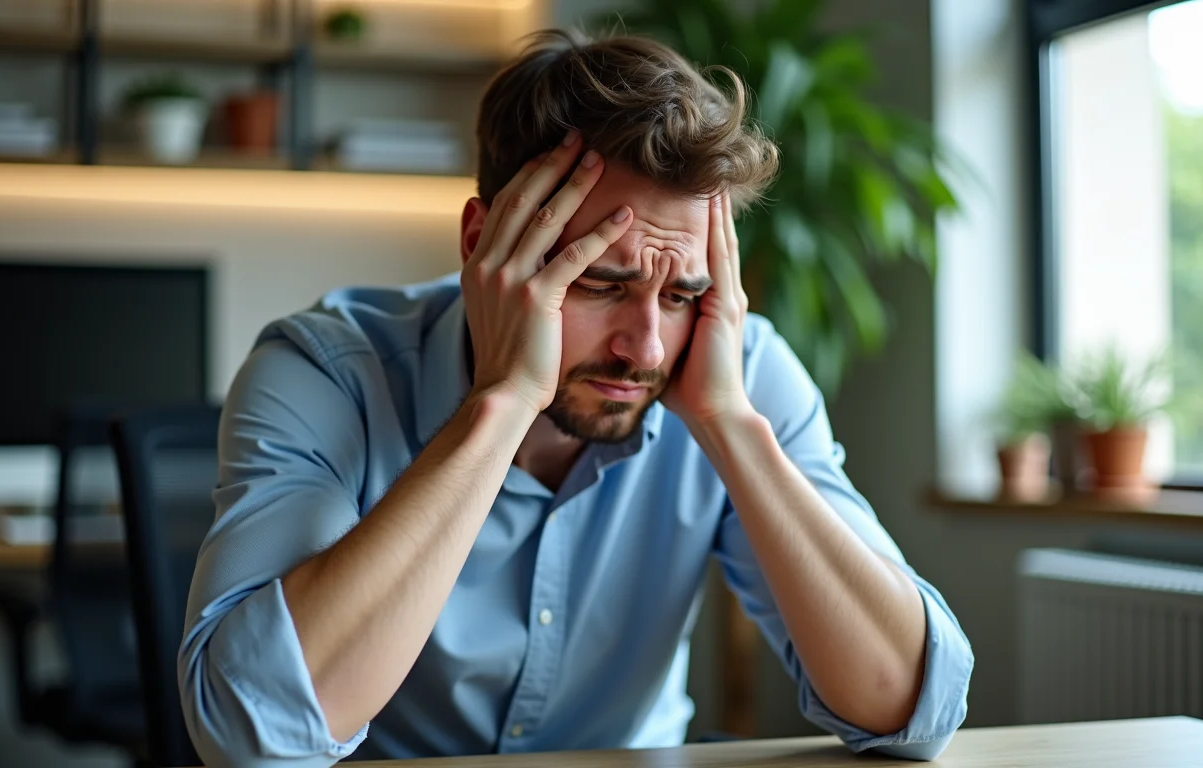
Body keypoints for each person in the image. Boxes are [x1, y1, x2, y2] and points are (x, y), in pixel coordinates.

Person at [179, 28, 972, 767]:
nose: (648, 349)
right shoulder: (324, 372)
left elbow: (915, 706)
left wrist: (730, 426)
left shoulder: (732, 368)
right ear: (481, 245)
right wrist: (502, 402)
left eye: (681, 294)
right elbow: (251, 732)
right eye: (600, 282)